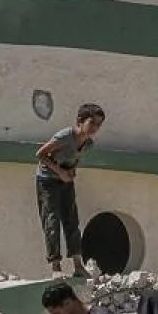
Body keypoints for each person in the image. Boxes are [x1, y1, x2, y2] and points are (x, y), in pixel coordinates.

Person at [35, 103, 106, 278]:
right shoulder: (66, 136)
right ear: (80, 121)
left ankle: (77, 265)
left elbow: (74, 158)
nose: (95, 128)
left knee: (71, 221)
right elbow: (41, 154)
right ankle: (56, 267)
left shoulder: (87, 144)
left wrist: (71, 171)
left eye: (98, 124)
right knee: (52, 221)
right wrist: (59, 171)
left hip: (65, 181)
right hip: (47, 181)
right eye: (92, 122)